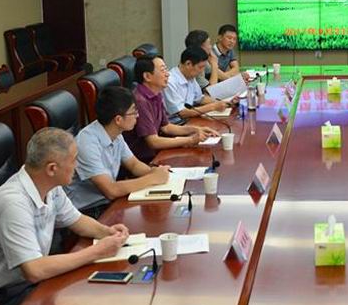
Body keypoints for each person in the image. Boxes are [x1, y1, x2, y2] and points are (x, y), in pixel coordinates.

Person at [0, 128, 129, 305]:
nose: (77, 165)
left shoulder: (50, 186)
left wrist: (107, 232)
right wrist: (97, 251)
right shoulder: (14, 204)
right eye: (74, 160)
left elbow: (77, 220)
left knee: (94, 300)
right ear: (52, 169)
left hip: (25, 284)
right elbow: (34, 270)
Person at [65, 86, 171, 217]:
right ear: (118, 119)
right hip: (88, 210)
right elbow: (110, 190)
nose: (137, 116)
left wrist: (155, 172)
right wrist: (152, 178)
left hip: (107, 202)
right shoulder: (87, 143)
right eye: (133, 112)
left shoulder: (115, 131)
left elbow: (134, 165)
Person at [123, 55, 218, 163]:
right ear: (147, 76)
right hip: (144, 160)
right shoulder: (140, 101)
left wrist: (196, 129)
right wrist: (191, 139)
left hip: (156, 153)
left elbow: (166, 127)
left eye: (166, 69)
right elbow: (153, 142)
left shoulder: (156, 93)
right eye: (163, 70)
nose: (167, 74)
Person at [164, 46, 232, 121]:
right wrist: (213, 106)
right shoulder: (170, 82)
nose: (202, 71)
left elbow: (200, 99)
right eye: (200, 67)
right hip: (175, 123)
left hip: (188, 120)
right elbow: (182, 113)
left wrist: (224, 103)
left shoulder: (190, 77)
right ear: (188, 64)